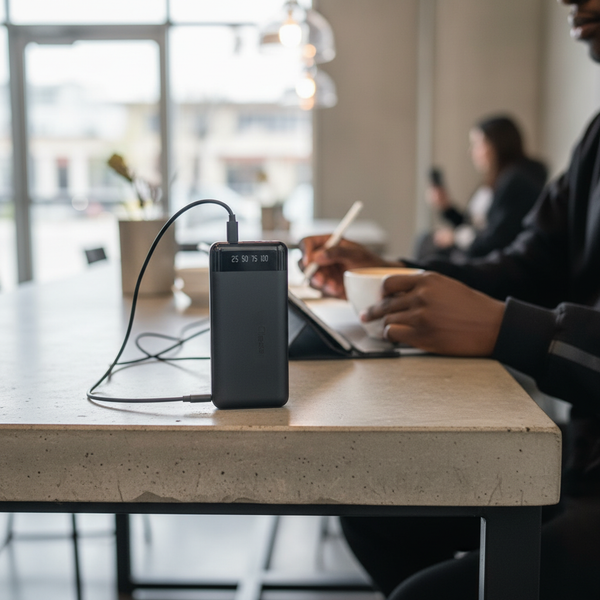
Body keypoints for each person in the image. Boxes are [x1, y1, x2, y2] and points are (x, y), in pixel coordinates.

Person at [299, 0, 600, 597]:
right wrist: (395, 272)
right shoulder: (596, 138)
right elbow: (525, 267)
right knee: (372, 508)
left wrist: (502, 328)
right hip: (581, 460)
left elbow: (511, 300)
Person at [417, 115, 547, 261]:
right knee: (427, 241)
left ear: (497, 145)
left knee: (427, 246)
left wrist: (455, 238)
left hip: (489, 261)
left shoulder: (517, 183)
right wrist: (446, 207)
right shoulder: (496, 181)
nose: (472, 152)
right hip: (477, 252)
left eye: (478, 144)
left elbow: (495, 239)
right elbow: (473, 225)